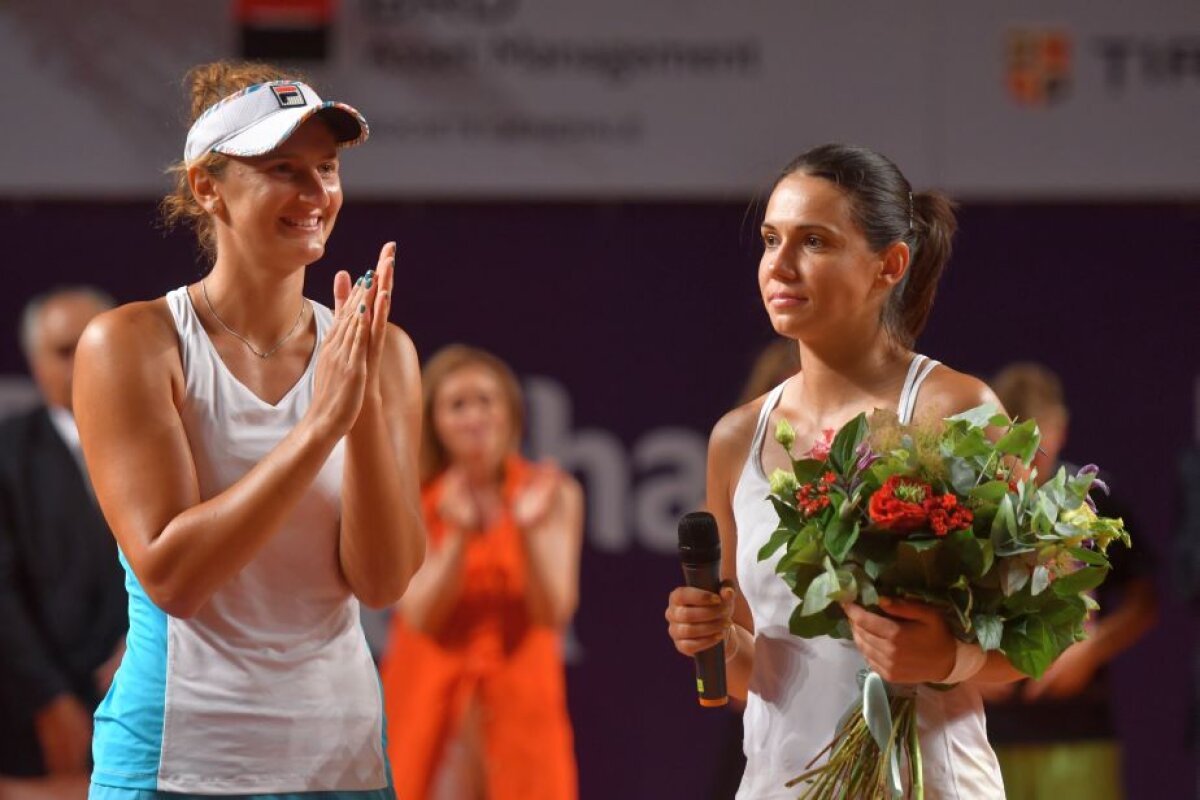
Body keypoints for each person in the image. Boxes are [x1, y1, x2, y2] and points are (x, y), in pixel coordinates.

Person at [71, 61, 425, 798]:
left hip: (343, 762)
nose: (316, 194)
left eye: (326, 168)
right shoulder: (131, 344)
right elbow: (174, 576)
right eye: (282, 170)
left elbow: (384, 580)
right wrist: (320, 425)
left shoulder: (381, 350)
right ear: (208, 187)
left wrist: (354, 414)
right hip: (176, 763)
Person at [664, 144, 1024, 799]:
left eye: (816, 242)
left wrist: (948, 658)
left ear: (890, 265)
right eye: (772, 239)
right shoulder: (736, 437)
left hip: (931, 784)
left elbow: (1047, 626)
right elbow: (760, 669)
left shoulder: (957, 410)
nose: (780, 264)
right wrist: (710, 639)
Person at [380, 345, 583, 800]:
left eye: (486, 401)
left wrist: (527, 530)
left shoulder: (553, 495)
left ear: (511, 411)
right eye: (457, 405)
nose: (475, 417)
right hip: (428, 706)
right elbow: (420, 616)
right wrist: (455, 535)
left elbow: (553, 613)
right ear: (433, 421)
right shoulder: (412, 494)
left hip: (521, 709)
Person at [982, 362, 1158, 800]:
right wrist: (964, 670)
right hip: (989, 734)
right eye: (1013, 446)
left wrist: (1091, 650)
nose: (1025, 461)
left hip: (1078, 731)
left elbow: (1144, 600)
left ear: (1060, 428)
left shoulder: (1093, 498)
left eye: (1036, 445)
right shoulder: (974, 502)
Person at [0, 289, 126, 781]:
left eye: (95, 342)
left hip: (157, 693)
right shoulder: (9, 455)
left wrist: (150, 643)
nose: (82, 362)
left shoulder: (177, 436)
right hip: (39, 713)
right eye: (63, 351)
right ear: (35, 363)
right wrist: (49, 697)